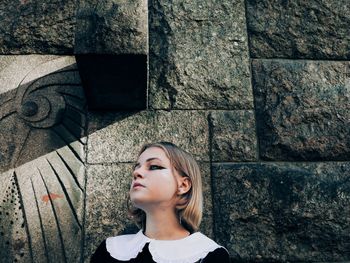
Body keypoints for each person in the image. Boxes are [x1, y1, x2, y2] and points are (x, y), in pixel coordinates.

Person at [90, 141, 231, 262]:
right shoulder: (111, 250)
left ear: (183, 185)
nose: (136, 173)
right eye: (136, 167)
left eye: (154, 166)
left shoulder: (208, 255)